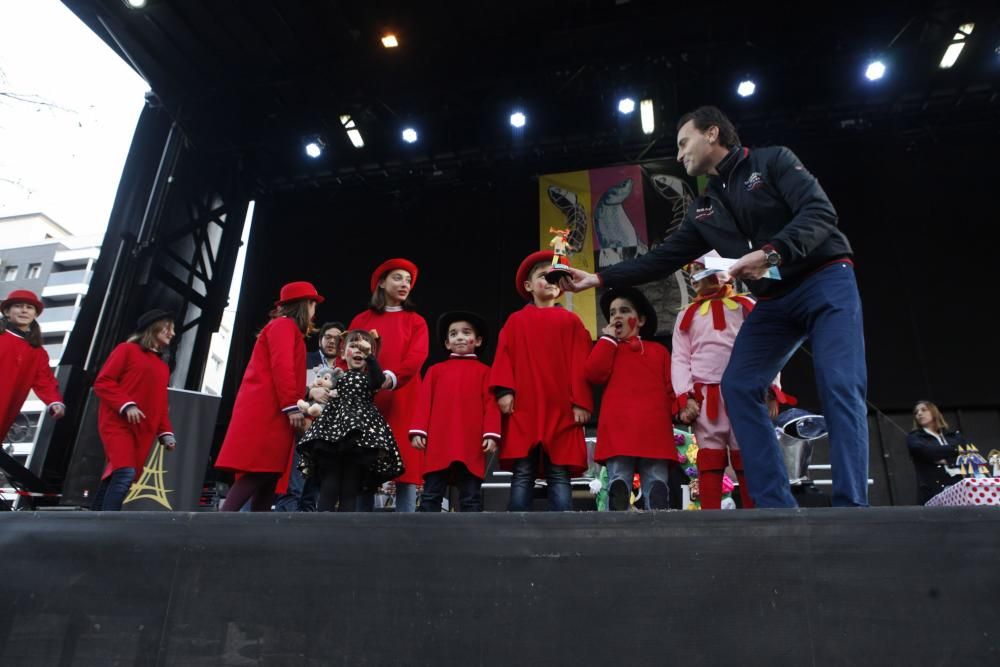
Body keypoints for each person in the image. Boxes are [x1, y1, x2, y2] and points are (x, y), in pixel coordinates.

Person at [560, 105, 868, 508]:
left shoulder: (773, 160)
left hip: (825, 279)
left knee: (840, 384)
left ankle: (852, 507)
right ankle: (776, 504)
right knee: (739, 385)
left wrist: (771, 254)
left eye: (683, 142)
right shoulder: (705, 207)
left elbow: (821, 214)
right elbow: (662, 257)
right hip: (775, 302)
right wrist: (598, 278)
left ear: (711, 134)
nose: (679, 153)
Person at [672, 253, 792, 510]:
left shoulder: (746, 305)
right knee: (710, 457)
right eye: (696, 271)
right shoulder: (686, 316)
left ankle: (754, 515)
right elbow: (680, 359)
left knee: (746, 453)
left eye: (707, 269)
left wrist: (771, 387)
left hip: (744, 393)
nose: (702, 276)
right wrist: (686, 397)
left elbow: (766, 348)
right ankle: (711, 518)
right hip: (706, 398)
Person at [490, 250, 593, 511]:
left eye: (554, 277)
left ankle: (563, 529)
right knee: (523, 472)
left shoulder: (571, 322)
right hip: (525, 406)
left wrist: (580, 402)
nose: (548, 281)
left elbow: (580, 365)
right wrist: (504, 391)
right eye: (541, 276)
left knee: (559, 472)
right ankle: (517, 528)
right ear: (528, 285)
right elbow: (504, 357)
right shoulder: (516, 321)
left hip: (560, 406)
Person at [216, 281, 322, 511]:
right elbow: (282, 367)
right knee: (260, 469)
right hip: (267, 410)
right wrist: (291, 406)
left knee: (270, 473)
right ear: (304, 305)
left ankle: (253, 535)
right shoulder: (283, 326)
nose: (314, 310)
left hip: (275, 409)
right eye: (313, 303)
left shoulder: (285, 328)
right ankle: (218, 526)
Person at [584, 287, 677, 511]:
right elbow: (593, 373)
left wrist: (679, 409)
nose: (617, 316)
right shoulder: (608, 348)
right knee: (619, 477)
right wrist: (607, 339)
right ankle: (618, 504)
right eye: (612, 312)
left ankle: (656, 506)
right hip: (619, 426)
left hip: (654, 426)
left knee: (655, 480)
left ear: (641, 320)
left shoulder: (659, 351)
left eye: (624, 311)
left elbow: (670, 387)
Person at [349, 259, 428, 512]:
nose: (404, 284)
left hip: (404, 396)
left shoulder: (416, 321)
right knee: (365, 461)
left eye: (408, 280)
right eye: (397, 278)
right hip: (367, 399)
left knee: (404, 461)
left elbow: (417, 356)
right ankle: (360, 525)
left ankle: (407, 524)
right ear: (381, 283)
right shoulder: (362, 319)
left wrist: (391, 378)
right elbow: (347, 354)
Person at [297, 330, 404, 511]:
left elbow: (379, 381)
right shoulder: (336, 376)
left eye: (363, 348)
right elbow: (321, 387)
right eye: (353, 346)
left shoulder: (371, 377)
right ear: (342, 353)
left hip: (359, 438)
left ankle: (344, 531)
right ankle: (322, 528)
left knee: (350, 486)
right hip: (332, 433)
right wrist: (312, 392)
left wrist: (370, 357)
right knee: (329, 482)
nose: (358, 351)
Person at [410, 311, 501, 512]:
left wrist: (491, 434)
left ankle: (472, 541)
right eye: (453, 334)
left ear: (477, 341)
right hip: (439, 442)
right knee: (431, 495)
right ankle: (423, 541)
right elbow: (424, 402)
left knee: (470, 497)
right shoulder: (435, 371)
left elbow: (491, 405)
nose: (459, 337)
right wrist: (419, 430)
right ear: (447, 343)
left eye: (466, 332)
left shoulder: (486, 372)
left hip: (471, 441)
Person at [91, 309, 177, 511]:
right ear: (153, 327)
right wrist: (126, 404)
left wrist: (165, 432)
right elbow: (103, 382)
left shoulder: (163, 366)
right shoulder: (126, 350)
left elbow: (160, 403)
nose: (172, 333)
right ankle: (109, 526)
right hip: (118, 423)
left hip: (144, 429)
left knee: (118, 475)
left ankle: (93, 521)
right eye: (168, 328)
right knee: (124, 473)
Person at [274, 320, 345, 512]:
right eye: (328, 337)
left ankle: (305, 532)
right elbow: (289, 388)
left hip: (328, 437)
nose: (332, 341)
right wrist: (309, 392)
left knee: (313, 491)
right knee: (294, 485)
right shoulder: (306, 359)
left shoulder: (345, 368)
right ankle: (285, 526)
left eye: (337, 338)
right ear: (320, 339)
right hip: (302, 429)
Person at [0, 290, 65, 444]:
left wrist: (54, 401)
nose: (24, 310)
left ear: (35, 315)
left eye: (29, 307)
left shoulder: (37, 352)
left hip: (6, 411)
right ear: (7, 312)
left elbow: (45, 380)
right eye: (18, 306)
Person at [906, 400, 965, 505]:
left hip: (959, 484)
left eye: (923, 410)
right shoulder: (914, 437)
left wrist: (946, 460)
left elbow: (963, 451)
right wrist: (952, 452)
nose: (919, 414)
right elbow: (921, 450)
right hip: (933, 489)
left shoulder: (953, 435)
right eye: (916, 412)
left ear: (934, 412)